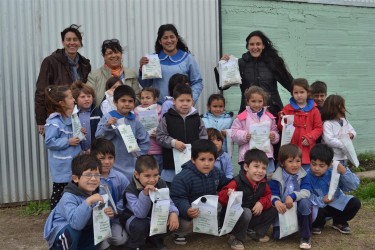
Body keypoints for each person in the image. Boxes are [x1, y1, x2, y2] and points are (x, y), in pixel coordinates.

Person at [44, 154, 114, 250]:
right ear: (75, 178)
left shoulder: (99, 192)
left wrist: (107, 212)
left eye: (97, 175)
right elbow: (76, 223)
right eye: (88, 175)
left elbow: (99, 217)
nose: (93, 179)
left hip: (83, 231)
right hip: (65, 234)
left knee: (100, 224)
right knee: (73, 231)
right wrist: (88, 201)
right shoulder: (68, 197)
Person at [170, 139, 230, 245]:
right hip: (190, 212)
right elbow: (177, 198)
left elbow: (225, 184)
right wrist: (187, 210)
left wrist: (230, 189)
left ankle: (214, 226)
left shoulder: (216, 172)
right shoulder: (183, 177)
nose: (207, 163)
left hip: (207, 210)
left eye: (211, 159)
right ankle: (179, 233)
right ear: (193, 159)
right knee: (186, 223)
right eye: (202, 159)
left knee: (221, 204)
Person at [35, 24, 91, 135]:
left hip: (78, 115)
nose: (72, 43)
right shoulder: (50, 62)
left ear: (80, 43)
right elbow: (41, 91)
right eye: (68, 39)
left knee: (78, 147)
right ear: (63, 42)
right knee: (60, 147)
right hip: (58, 114)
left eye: (75, 39)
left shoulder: (85, 64)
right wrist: (41, 120)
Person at [222, 30, 293, 117]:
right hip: (248, 113)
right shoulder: (240, 63)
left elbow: (290, 84)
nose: (255, 47)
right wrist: (225, 65)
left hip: (272, 111)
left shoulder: (273, 62)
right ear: (247, 46)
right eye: (252, 44)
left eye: (258, 44)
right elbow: (224, 85)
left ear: (263, 46)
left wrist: (306, 95)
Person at [218, 149, 278, 250]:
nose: (260, 171)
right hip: (233, 220)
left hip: (251, 217)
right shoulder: (236, 182)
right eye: (256, 166)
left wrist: (261, 203)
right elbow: (221, 198)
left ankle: (255, 233)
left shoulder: (263, 183)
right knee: (246, 212)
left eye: (264, 168)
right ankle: (236, 238)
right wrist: (228, 195)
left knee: (274, 208)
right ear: (246, 167)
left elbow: (268, 196)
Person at [122, 155, 179, 250]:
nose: (152, 180)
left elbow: (168, 201)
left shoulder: (161, 183)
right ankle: (136, 245)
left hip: (154, 217)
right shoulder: (130, 191)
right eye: (147, 176)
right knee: (141, 225)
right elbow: (140, 214)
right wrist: (145, 195)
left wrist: (173, 212)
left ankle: (155, 239)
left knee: (174, 220)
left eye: (155, 175)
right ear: (136, 174)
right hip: (134, 219)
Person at [139, 24, 203, 104]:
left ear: (177, 39)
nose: (169, 41)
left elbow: (197, 82)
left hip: (182, 108)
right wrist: (142, 70)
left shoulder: (188, 58)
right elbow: (146, 85)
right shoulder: (152, 60)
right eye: (165, 38)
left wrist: (190, 100)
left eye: (172, 37)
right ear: (160, 41)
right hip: (159, 109)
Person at [95, 85, 149, 181]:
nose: (127, 104)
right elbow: (98, 137)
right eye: (123, 101)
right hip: (111, 165)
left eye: (130, 101)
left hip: (131, 165)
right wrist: (108, 126)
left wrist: (139, 156)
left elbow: (144, 140)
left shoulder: (135, 121)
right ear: (115, 102)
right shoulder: (108, 117)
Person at [156, 84, 207, 183]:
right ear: (174, 101)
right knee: (172, 190)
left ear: (192, 101)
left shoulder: (197, 118)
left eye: (188, 101)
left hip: (193, 164)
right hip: (171, 166)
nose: (185, 104)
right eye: (181, 100)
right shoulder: (167, 118)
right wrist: (173, 143)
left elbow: (203, 137)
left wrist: (199, 149)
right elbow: (160, 136)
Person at [307, 144, 361, 235]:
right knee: (313, 210)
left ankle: (339, 221)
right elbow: (307, 195)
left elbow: (352, 186)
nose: (316, 168)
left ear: (329, 165)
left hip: (336, 203)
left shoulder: (334, 171)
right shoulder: (307, 175)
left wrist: (344, 171)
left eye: (321, 165)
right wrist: (322, 200)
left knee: (355, 203)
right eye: (313, 164)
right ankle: (318, 224)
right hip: (320, 206)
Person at [44, 85, 82, 209]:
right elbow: (49, 142)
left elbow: (75, 136)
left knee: (74, 192)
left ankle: (71, 215)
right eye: (70, 98)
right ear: (62, 103)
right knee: (59, 193)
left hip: (75, 163)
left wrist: (80, 132)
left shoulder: (73, 117)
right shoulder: (54, 122)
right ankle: (54, 218)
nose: (74, 100)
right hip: (62, 167)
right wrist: (68, 141)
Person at [269, 144, 312, 250]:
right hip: (283, 210)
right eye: (290, 161)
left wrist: (293, 196)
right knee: (278, 237)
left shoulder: (304, 175)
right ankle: (288, 227)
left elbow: (306, 192)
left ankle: (306, 237)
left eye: (298, 161)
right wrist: (276, 202)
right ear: (282, 163)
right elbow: (272, 194)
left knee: (305, 202)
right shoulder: (276, 177)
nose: (295, 165)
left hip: (299, 208)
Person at [91, 138, 130, 249]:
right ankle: (101, 239)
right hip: (95, 221)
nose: (107, 162)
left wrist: (115, 210)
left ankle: (107, 237)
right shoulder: (90, 179)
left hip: (114, 219)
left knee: (121, 239)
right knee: (101, 244)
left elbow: (126, 198)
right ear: (93, 158)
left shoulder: (120, 178)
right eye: (102, 158)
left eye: (110, 158)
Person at [231, 86, 279, 174]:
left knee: (266, 179)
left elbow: (275, 132)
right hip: (248, 155)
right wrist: (244, 136)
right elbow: (233, 134)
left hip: (266, 155)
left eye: (260, 101)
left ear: (263, 101)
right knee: (248, 179)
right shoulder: (242, 117)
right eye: (253, 101)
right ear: (247, 101)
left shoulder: (269, 117)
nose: (256, 104)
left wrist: (273, 136)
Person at [278, 78, 323, 170]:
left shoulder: (314, 110)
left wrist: (310, 137)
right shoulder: (287, 109)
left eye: (302, 92)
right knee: (290, 173)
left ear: (308, 92)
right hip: (291, 148)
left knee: (306, 174)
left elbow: (319, 128)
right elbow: (281, 128)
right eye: (296, 93)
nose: (299, 95)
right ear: (292, 93)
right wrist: (281, 119)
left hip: (306, 148)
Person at [88, 39, 141, 106]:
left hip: (127, 114)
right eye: (110, 53)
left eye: (116, 52)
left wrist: (125, 105)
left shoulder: (131, 73)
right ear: (104, 57)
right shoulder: (94, 75)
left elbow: (138, 97)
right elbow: (88, 97)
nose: (113, 55)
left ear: (121, 54)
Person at [321, 95, 356, 166]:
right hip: (333, 157)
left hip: (344, 156)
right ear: (331, 109)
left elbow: (353, 131)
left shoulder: (344, 121)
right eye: (341, 107)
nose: (343, 109)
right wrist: (344, 144)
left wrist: (351, 135)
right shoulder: (328, 124)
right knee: (335, 175)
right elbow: (329, 140)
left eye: (344, 107)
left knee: (343, 172)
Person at [133, 87, 163, 171]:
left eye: (148, 98)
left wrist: (159, 133)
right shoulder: (136, 112)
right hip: (143, 150)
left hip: (157, 149)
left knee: (157, 173)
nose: (144, 100)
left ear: (155, 99)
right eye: (142, 98)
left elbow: (165, 128)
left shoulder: (160, 111)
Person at [71, 81, 101, 152]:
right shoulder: (73, 114)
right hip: (77, 152)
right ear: (75, 99)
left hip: (94, 151)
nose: (86, 99)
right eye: (82, 97)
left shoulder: (97, 112)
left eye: (89, 96)